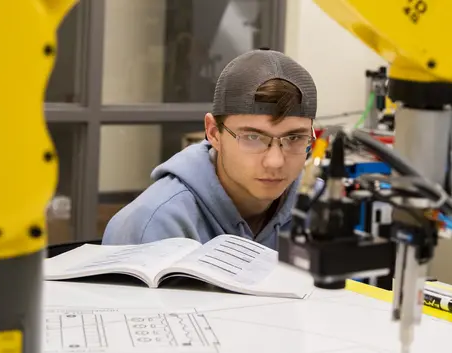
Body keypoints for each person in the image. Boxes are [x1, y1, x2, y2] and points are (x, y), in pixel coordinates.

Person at [102, 49, 318, 250]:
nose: (275, 161)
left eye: (295, 138)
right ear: (214, 132)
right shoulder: (152, 226)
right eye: (253, 137)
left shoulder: (321, 209)